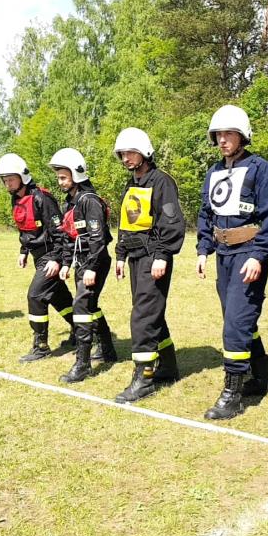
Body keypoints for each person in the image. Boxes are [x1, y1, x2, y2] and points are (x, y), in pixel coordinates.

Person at [196, 105, 268, 420]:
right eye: (218, 135)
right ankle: (261, 376)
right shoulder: (213, 171)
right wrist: (203, 249)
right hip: (223, 255)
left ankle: (232, 394)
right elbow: (206, 213)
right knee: (239, 318)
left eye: (229, 133)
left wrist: (259, 254)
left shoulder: (262, 169)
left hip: (248, 253)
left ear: (242, 135)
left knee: (235, 322)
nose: (223, 140)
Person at [112, 128, 186, 403]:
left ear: (145, 153)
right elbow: (125, 224)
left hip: (153, 258)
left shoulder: (162, 182)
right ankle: (168, 365)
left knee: (142, 315)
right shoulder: (131, 184)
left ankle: (143, 379)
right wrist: (120, 255)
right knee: (151, 312)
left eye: (131, 153)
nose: (126, 158)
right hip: (134, 258)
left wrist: (162, 255)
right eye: (122, 154)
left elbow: (172, 223)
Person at [0, 153, 77, 362]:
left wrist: (57, 259)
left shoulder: (42, 198)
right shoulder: (16, 198)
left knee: (35, 295)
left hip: (50, 257)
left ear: (22, 177)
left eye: (10, 179)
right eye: (5, 180)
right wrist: (24, 251)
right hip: (37, 256)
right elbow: (25, 230)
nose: (7, 184)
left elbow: (61, 231)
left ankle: (40, 346)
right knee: (58, 297)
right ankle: (82, 331)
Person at [49, 147, 117, 383]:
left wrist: (91, 268)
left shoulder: (90, 202)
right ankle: (108, 350)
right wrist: (67, 263)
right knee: (90, 305)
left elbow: (98, 240)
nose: (60, 182)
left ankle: (83, 363)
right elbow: (71, 237)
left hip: (94, 262)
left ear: (76, 174)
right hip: (82, 262)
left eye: (63, 177)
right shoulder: (72, 202)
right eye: (58, 177)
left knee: (81, 309)